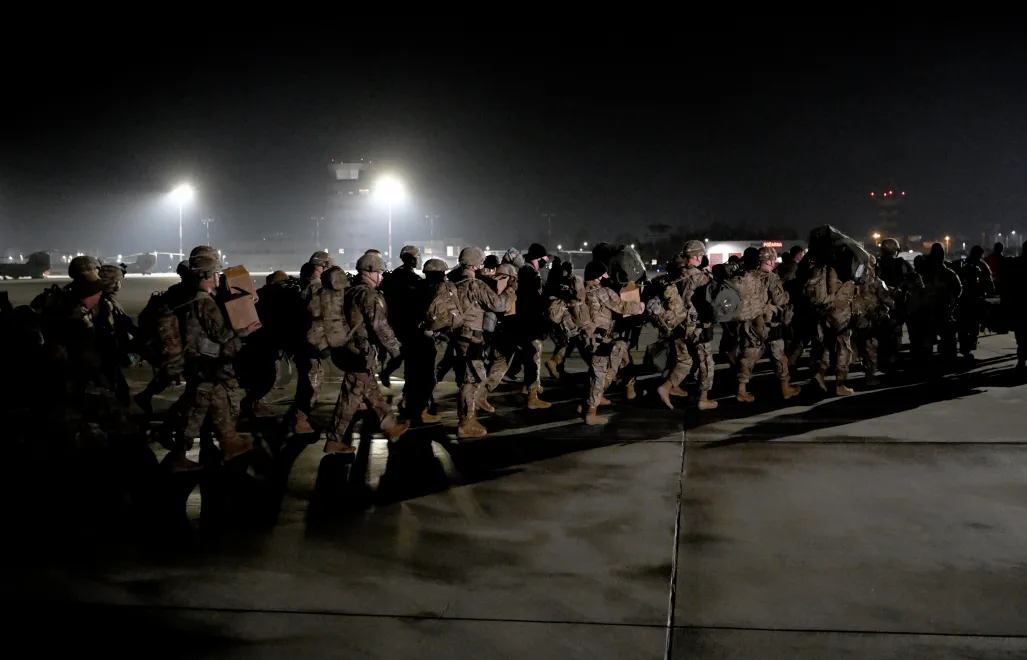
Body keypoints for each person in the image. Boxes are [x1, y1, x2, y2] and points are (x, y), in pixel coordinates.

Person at [324, 253, 409, 455]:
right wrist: (396, 349)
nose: (381, 276)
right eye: (379, 272)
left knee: (365, 392)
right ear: (370, 272)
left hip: (351, 350)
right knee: (353, 395)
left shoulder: (351, 291)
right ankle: (334, 440)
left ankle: (389, 426)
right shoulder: (369, 295)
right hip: (359, 353)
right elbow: (380, 326)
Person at [452, 247, 517, 438]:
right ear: (475, 264)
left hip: (460, 335)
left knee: (468, 377)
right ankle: (466, 422)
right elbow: (499, 304)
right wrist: (511, 290)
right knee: (471, 380)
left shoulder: (455, 282)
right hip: (472, 337)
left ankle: (467, 418)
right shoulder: (475, 285)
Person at [736, 247, 800, 402]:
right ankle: (785, 388)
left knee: (748, 357)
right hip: (770, 324)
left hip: (751, 323)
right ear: (771, 261)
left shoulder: (747, 276)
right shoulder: (772, 278)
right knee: (779, 357)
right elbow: (780, 300)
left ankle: (741, 390)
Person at [581, 260, 642, 424]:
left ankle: (591, 401)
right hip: (599, 339)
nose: (607, 276)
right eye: (604, 274)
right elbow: (622, 307)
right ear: (598, 277)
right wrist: (639, 306)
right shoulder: (602, 292)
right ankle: (590, 412)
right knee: (600, 374)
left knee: (598, 370)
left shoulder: (582, 291)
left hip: (585, 339)